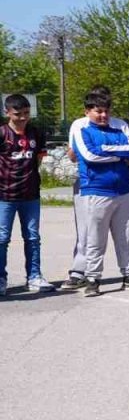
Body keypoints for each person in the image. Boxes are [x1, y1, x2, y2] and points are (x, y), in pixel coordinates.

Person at [72, 90, 129, 296]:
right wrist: (118, 154)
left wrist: (106, 149)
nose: (103, 116)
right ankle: (92, 279)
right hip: (96, 192)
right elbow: (89, 156)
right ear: (87, 111)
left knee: (126, 236)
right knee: (96, 239)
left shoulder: (119, 127)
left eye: (106, 111)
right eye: (98, 111)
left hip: (123, 190)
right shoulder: (82, 128)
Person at [0, 94, 53, 294]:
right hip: (4, 195)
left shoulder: (36, 133)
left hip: (30, 195)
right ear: (7, 113)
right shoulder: (2, 133)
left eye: (26, 113)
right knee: (2, 239)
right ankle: (1, 279)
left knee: (32, 237)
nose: (23, 118)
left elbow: (37, 160)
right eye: (17, 114)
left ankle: (34, 277)